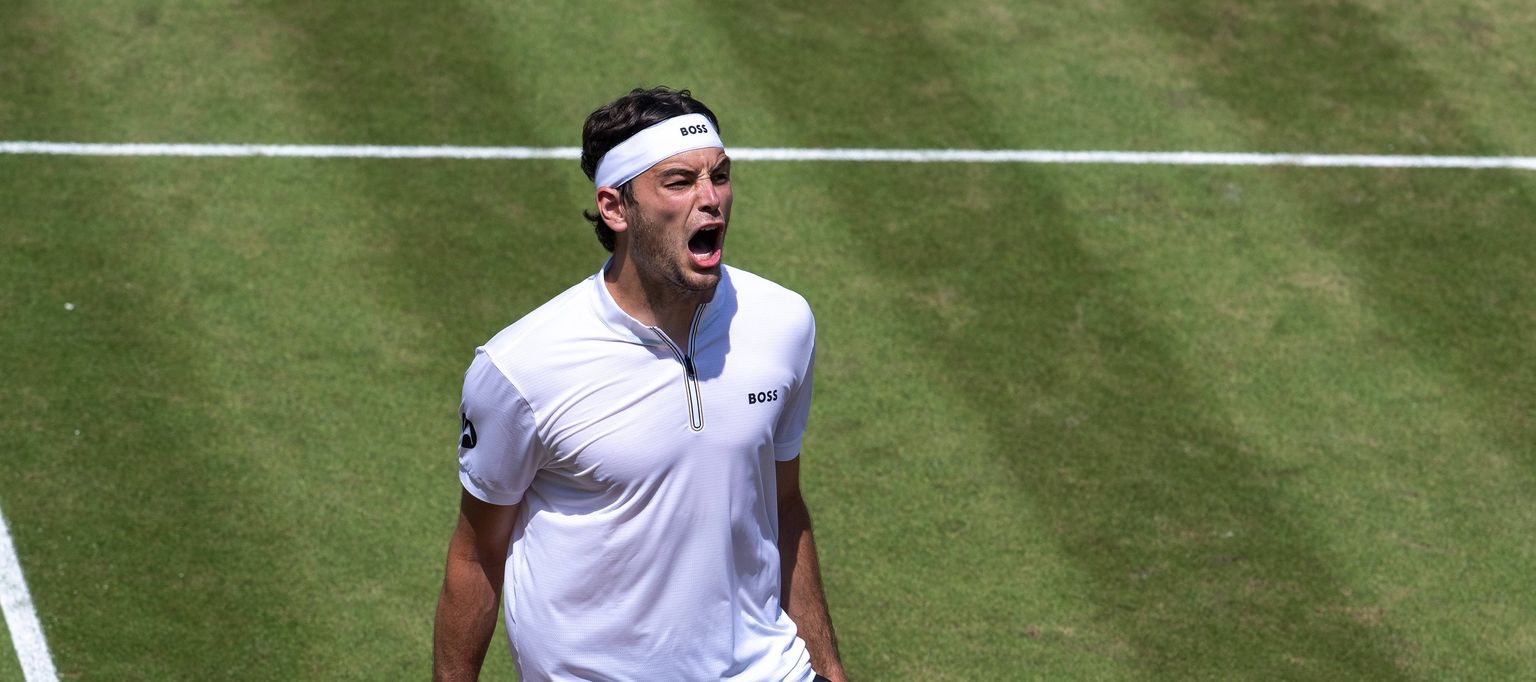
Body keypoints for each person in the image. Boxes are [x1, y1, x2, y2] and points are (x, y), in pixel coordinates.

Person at [433, 86, 847, 682]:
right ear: (615, 208)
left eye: (719, 176)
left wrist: (828, 669)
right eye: (679, 182)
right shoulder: (522, 367)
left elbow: (783, 505)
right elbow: (477, 555)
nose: (711, 199)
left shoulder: (782, 321)